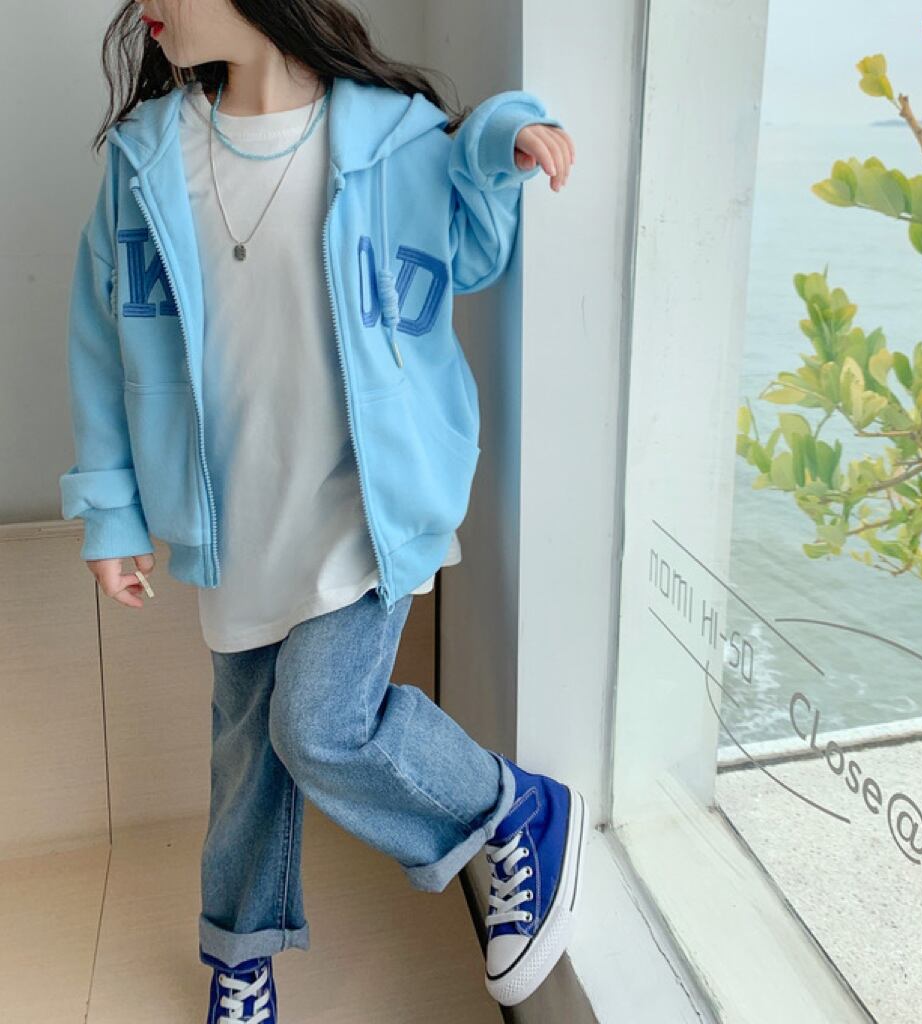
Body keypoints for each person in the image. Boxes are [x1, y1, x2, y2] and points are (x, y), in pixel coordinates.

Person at [58, 0, 589, 1017]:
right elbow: (98, 338)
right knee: (246, 754)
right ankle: (241, 955)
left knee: (319, 724)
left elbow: (473, 242)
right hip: (235, 519)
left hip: (363, 506)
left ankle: (513, 806)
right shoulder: (145, 161)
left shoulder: (391, 137)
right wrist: (111, 512)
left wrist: (502, 134)